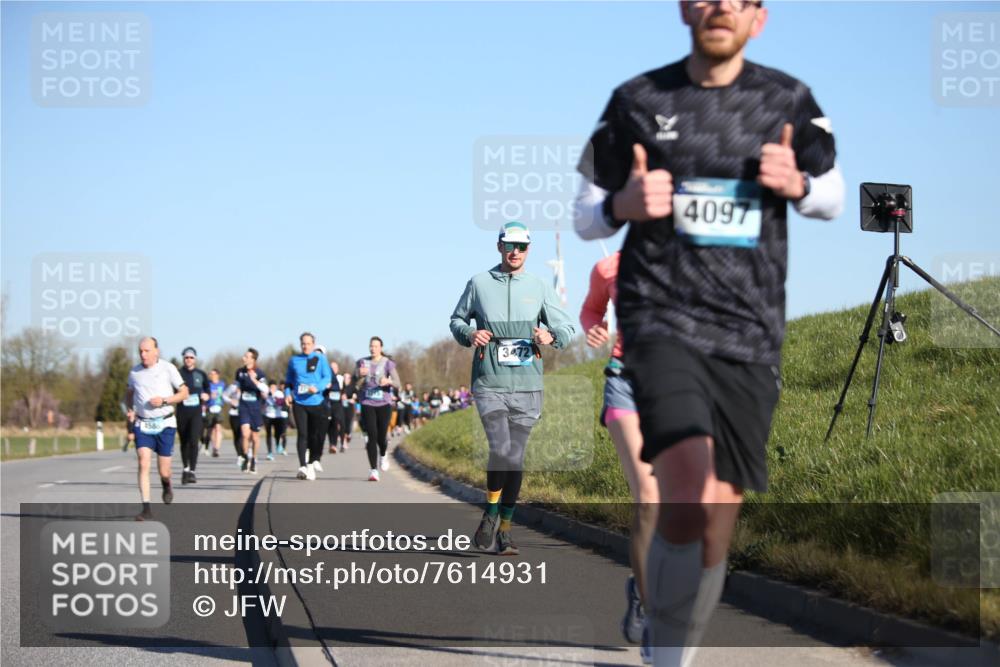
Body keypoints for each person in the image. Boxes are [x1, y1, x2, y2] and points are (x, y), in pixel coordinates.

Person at [575, 2, 843, 662]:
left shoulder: (788, 99)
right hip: (661, 318)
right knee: (687, 492)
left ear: (759, 17)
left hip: (749, 330)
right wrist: (622, 205)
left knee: (717, 517)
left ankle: (670, 646)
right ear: (685, 9)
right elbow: (585, 214)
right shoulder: (638, 99)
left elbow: (833, 193)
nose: (721, 5)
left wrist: (800, 184)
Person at [450, 221, 577, 556]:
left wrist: (552, 336)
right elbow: (457, 320)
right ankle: (491, 510)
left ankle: (504, 529)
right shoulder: (479, 283)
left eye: (522, 246)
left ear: (529, 249)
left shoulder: (539, 286)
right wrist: (469, 335)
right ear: (499, 247)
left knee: (515, 458)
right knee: (500, 448)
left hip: (527, 384)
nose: (516, 252)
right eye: (510, 245)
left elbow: (566, 325)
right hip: (489, 381)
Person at [581, 251, 658, 650]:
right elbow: (591, 310)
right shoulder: (609, 266)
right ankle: (649, 606)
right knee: (649, 499)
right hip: (624, 381)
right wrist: (595, 327)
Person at [125, 337, 188, 521]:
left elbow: (184, 393)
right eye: (140, 351)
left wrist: (165, 400)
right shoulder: (134, 373)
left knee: (164, 471)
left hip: (165, 423)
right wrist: (130, 410)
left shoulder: (168, 368)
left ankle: (166, 484)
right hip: (143, 424)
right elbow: (128, 395)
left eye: (146, 351)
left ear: (156, 351)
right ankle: (146, 508)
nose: (143, 354)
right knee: (143, 462)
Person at [285, 332, 333, 481]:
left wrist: (317, 387)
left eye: (308, 343)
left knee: (314, 436)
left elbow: (327, 378)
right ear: (301, 345)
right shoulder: (294, 360)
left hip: (316, 402)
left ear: (313, 344)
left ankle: (312, 463)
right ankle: (303, 466)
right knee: (302, 434)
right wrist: (287, 393)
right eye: (303, 344)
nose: (305, 346)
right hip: (299, 402)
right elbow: (289, 380)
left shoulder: (321, 359)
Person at [354, 336, 401, 481]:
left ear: (381, 348)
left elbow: (398, 383)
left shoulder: (388, 363)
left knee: (381, 436)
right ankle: (373, 470)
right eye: (371, 346)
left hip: (384, 403)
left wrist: (388, 381)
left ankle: (383, 454)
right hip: (367, 402)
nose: (372, 348)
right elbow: (356, 381)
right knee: (371, 436)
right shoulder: (362, 362)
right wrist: (358, 375)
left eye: (375, 346)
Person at [176, 347, 209, 485]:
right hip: (182, 412)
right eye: (186, 357)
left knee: (194, 441)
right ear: (183, 359)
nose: (188, 360)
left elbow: (207, 389)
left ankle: (192, 472)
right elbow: (171, 390)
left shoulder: (201, 374)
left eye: (191, 357)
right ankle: (185, 468)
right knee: (184, 442)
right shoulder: (177, 373)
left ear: (195, 359)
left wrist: (206, 396)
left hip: (196, 412)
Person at [235, 348, 269, 474]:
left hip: (255, 408)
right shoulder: (239, 372)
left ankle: (254, 459)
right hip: (244, 406)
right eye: (244, 356)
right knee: (244, 434)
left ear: (253, 359)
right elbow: (237, 387)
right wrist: (234, 396)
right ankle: (244, 456)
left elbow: (265, 390)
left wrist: (254, 379)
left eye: (246, 356)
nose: (244, 358)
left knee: (255, 437)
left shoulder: (259, 373)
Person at [202, 369, 226, 457]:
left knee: (218, 427)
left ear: (217, 375)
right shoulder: (207, 384)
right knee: (210, 430)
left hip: (219, 407)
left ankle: (216, 449)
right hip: (209, 408)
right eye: (210, 374)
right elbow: (203, 395)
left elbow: (226, 394)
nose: (211, 375)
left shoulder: (222, 384)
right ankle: (213, 446)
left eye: (213, 374)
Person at [223, 380, 243, 462]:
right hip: (234, 413)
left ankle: (246, 452)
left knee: (244, 434)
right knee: (237, 434)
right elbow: (224, 395)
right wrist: (231, 401)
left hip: (244, 413)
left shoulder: (249, 385)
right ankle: (239, 455)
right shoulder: (233, 387)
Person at [339, 372, 356, 451]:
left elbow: (357, 396)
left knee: (348, 424)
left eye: (348, 378)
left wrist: (354, 398)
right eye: (345, 377)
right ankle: (343, 442)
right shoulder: (340, 387)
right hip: (341, 408)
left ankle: (348, 434)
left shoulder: (353, 387)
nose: (346, 379)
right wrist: (340, 397)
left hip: (349, 408)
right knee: (342, 424)